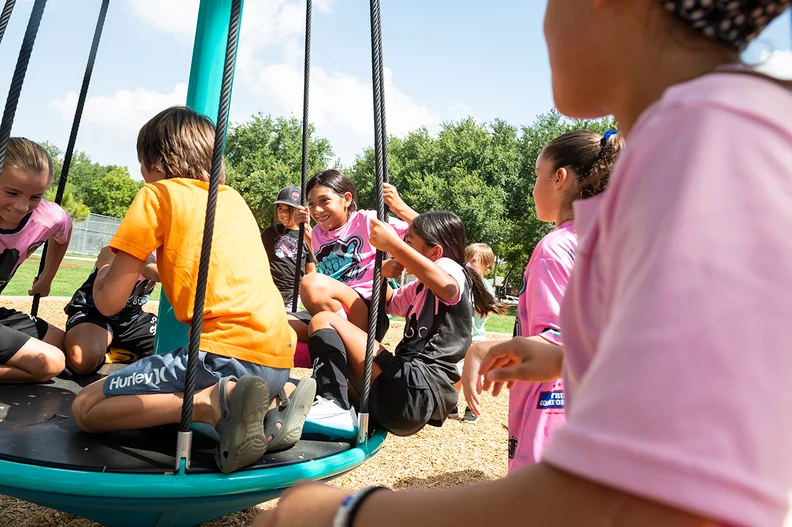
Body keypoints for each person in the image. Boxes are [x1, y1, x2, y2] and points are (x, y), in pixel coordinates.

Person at [254, 1, 792, 525]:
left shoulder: (711, 156)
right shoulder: (688, 149)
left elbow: (640, 499)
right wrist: (566, 355)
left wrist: (344, 513)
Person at [71, 106, 315, 474]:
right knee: (173, 380)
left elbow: (108, 302)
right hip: (277, 358)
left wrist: (106, 266)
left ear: (153, 163)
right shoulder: (231, 199)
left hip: (223, 356)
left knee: (85, 409)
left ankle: (214, 403)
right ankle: (273, 409)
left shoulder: (157, 195)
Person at [464, 130, 624, 469]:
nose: (533, 186)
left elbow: (553, 338)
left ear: (560, 178)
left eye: (537, 175)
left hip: (552, 403)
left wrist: (481, 348)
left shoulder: (554, 248)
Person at [303, 211, 502, 439]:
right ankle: (333, 404)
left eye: (409, 243)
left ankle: (334, 406)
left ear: (435, 251)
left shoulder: (450, 267)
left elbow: (448, 287)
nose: (404, 249)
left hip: (415, 387)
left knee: (323, 320)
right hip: (407, 395)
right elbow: (389, 303)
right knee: (318, 385)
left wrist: (395, 246)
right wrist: (381, 274)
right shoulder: (420, 287)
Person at [299, 170, 415, 339]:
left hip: (366, 309)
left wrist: (399, 207)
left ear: (346, 199)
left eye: (324, 200)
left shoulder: (367, 220)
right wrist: (303, 228)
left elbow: (428, 234)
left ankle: (347, 340)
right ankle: (332, 344)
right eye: (311, 204)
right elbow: (327, 260)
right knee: (278, 326)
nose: (317, 209)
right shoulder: (317, 233)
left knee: (311, 283)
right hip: (334, 308)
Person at [0, 137, 71, 383]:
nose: (22, 205)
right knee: (51, 362)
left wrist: (47, 277)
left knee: (65, 344)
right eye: (12, 192)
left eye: (35, 196)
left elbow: (62, 232)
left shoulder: (47, 217)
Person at [63, 246, 159, 375]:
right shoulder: (123, 247)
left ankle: (114, 349)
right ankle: (101, 349)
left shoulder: (171, 250)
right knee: (83, 360)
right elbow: (149, 267)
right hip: (94, 311)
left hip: (132, 317)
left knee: (176, 351)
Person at [450, 242, 503, 423]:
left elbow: (484, 312)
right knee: (457, 372)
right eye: (466, 261)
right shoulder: (461, 282)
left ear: (486, 267)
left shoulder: (484, 287)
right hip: (460, 337)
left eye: (473, 261)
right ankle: (452, 405)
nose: (467, 265)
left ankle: (472, 408)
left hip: (475, 339)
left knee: (474, 376)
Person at [261, 185, 316, 309]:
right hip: (270, 291)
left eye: (290, 209)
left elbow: (311, 270)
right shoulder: (270, 232)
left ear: (301, 211)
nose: (284, 214)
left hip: (293, 295)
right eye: (280, 208)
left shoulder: (307, 236)